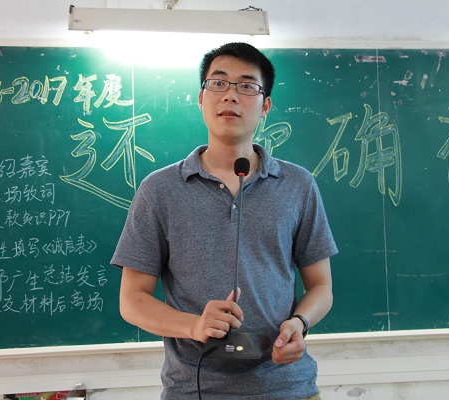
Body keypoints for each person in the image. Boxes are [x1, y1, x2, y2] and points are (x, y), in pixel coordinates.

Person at [111, 42, 338, 400]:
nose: (230, 95)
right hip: (195, 390)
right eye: (218, 83)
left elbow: (321, 286)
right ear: (201, 99)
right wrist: (195, 325)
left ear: (265, 106)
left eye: (246, 85)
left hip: (287, 387)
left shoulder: (298, 185)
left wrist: (299, 323)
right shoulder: (159, 189)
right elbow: (132, 300)